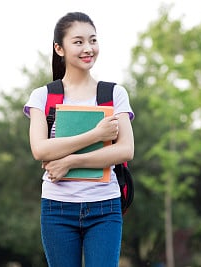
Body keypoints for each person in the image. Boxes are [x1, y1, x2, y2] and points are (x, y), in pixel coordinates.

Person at [23, 12, 135, 267]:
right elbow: (40, 150)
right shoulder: (43, 96)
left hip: (105, 207)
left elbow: (126, 150)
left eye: (93, 40)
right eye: (78, 42)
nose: (88, 48)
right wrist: (96, 134)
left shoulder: (114, 93)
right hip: (57, 209)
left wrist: (71, 161)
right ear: (59, 48)